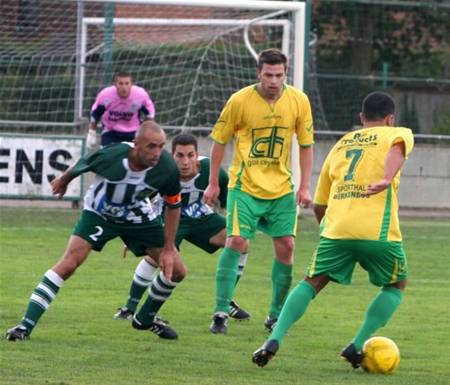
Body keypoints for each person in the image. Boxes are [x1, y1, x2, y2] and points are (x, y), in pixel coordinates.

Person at [252, 91, 414, 368]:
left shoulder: (341, 145)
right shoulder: (397, 132)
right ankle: (356, 343)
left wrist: (329, 229)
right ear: (390, 118)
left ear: (361, 118)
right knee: (396, 284)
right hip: (378, 231)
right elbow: (396, 149)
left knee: (311, 282)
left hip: (336, 230)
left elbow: (319, 203)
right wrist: (387, 178)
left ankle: (274, 337)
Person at [5, 121, 186, 341]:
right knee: (69, 263)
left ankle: (144, 319)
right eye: (151, 146)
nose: (157, 152)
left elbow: (173, 204)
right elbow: (85, 162)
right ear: (136, 144)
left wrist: (168, 248)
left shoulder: (166, 168)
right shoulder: (113, 156)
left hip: (136, 216)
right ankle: (24, 327)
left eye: (161, 146)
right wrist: (64, 179)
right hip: (100, 213)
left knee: (177, 269)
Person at [203, 48, 314, 334]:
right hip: (245, 185)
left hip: (281, 189)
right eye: (268, 75)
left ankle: (275, 315)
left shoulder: (299, 101)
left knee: (287, 247)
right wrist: (214, 182)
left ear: (285, 74)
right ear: (258, 74)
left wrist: (304, 186)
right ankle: (220, 312)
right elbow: (219, 141)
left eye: (279, 75)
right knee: (237, 241)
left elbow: (305, 145)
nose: (274, 81)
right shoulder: (239, 101)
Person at [114, 133, 251, 322]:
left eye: (190, 155)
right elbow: (138, 199)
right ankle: (129, 308)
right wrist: (137, 233)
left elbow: (230, 203)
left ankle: (225, 301)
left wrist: (241, 221)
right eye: (180, 155)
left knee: (240, 243)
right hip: (169, 218)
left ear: (197, 155)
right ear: (172, 156)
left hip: (199, 216)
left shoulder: (212, 172)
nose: (185, 161)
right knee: (158, 258)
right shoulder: (161, 172)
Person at [86, 72, 155, 149]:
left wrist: (146, 131)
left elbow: (150, 114)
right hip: (111, 133)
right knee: (107, 157)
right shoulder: (105, 95)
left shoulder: (140, 95)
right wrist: (91, 132)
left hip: (133, 133)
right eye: (121, 83)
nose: (124, 87)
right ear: (115, 84)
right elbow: (95, 114)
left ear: (131, 84)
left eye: (127, 83)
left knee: (135, 159)